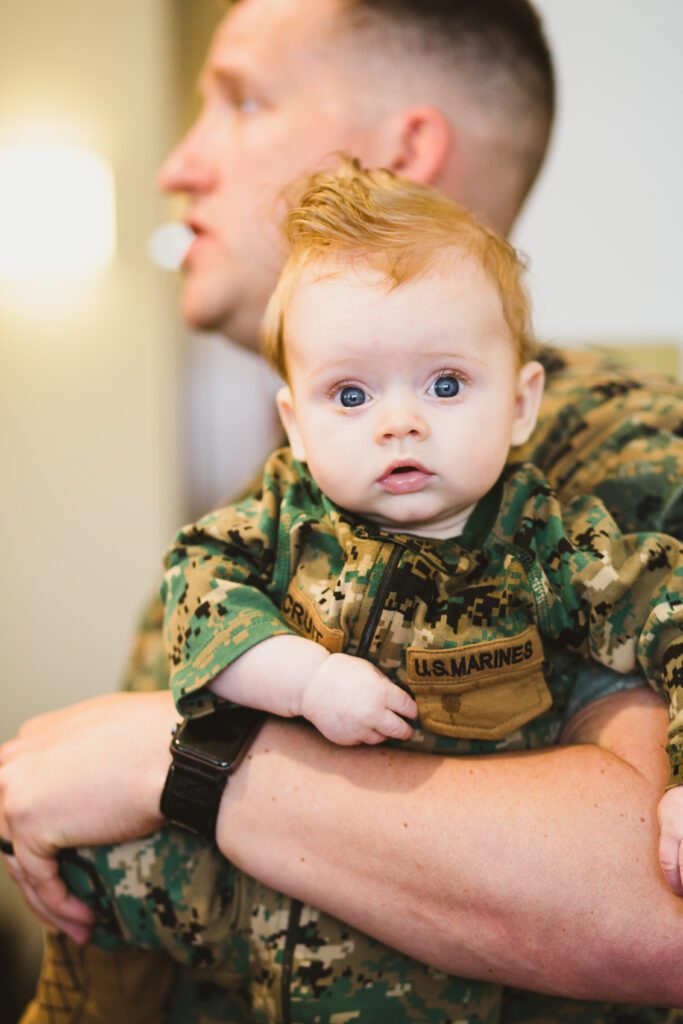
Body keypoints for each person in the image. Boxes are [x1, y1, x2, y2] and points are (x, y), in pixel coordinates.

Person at [2, 0, 683, 1021]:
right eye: (348, 396)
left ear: (401, 155)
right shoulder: (263, 515)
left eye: (239, 99)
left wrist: (177, 757)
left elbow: (650, 904)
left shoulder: (609, 464)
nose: (176, 164)